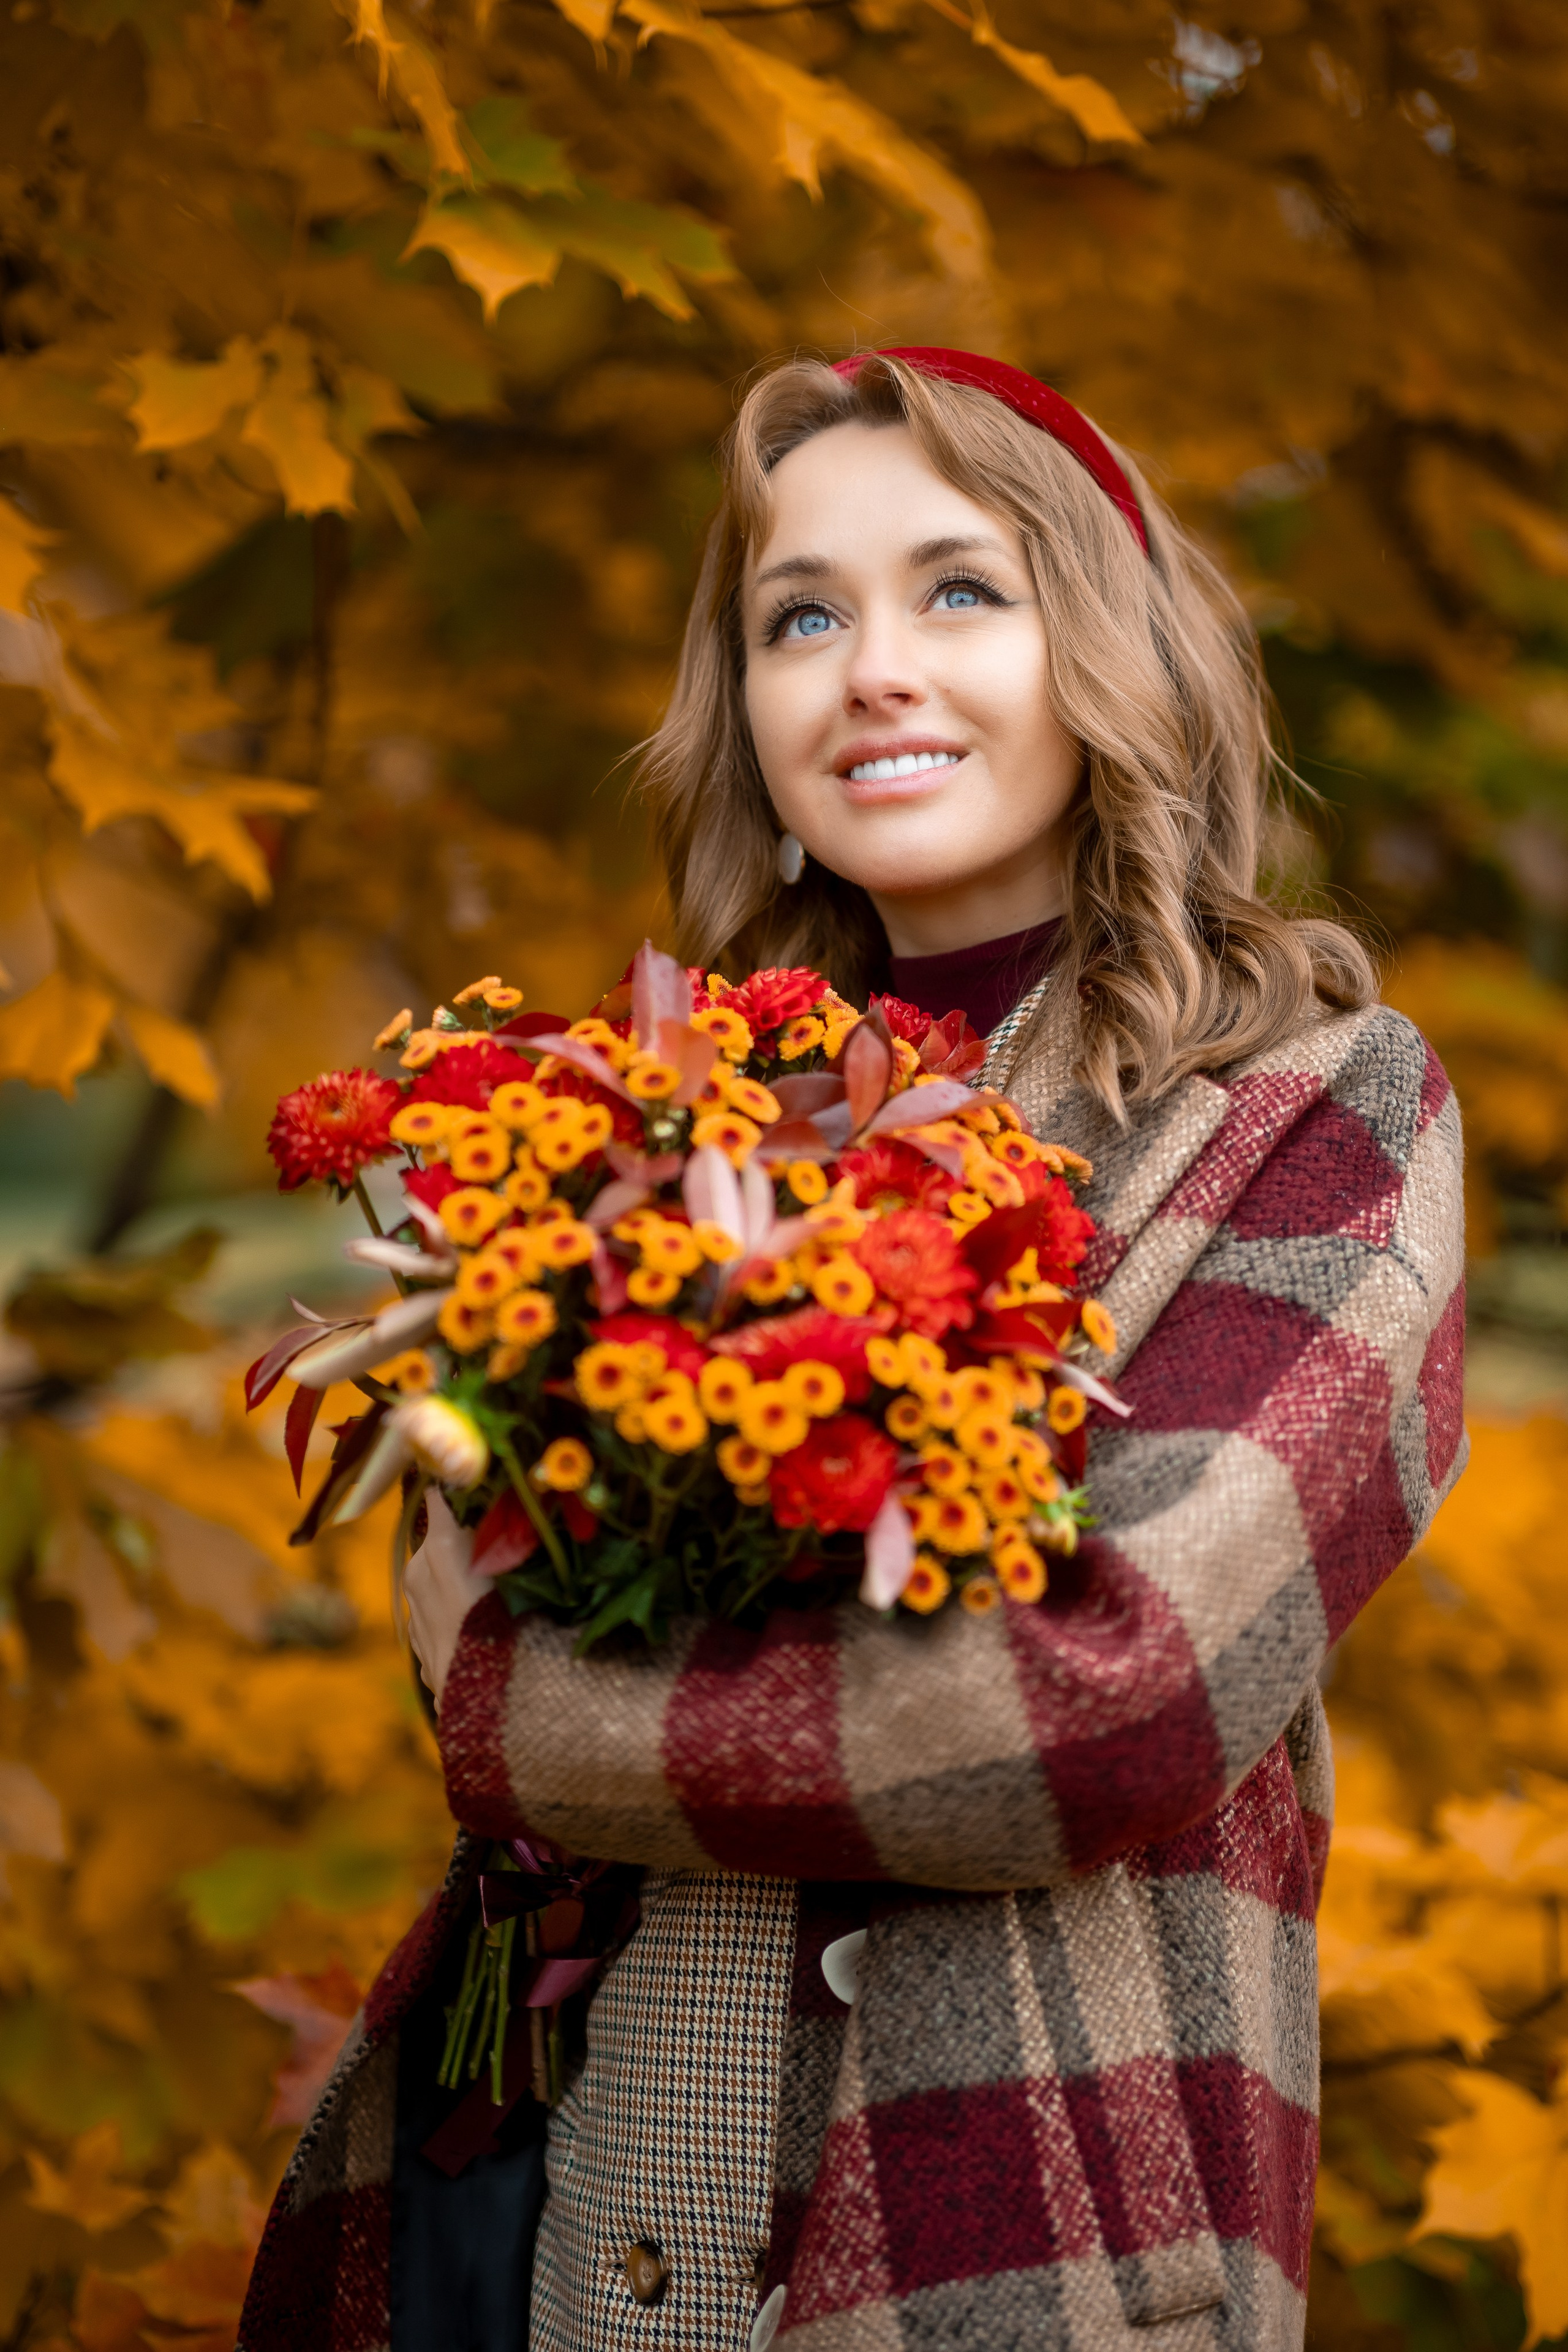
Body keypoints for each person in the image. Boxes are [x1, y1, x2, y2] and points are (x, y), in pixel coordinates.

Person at [236, 350, 1465, 2352]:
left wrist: (521, 1713)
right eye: (800, 620)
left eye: (960, 590)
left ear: (1115, 651)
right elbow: (458, 1559)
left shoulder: (1309, 1111)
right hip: (582, 2201)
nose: (872, 671)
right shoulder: (654, 1108)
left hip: (1016, 2232)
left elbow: (1110, 1704)